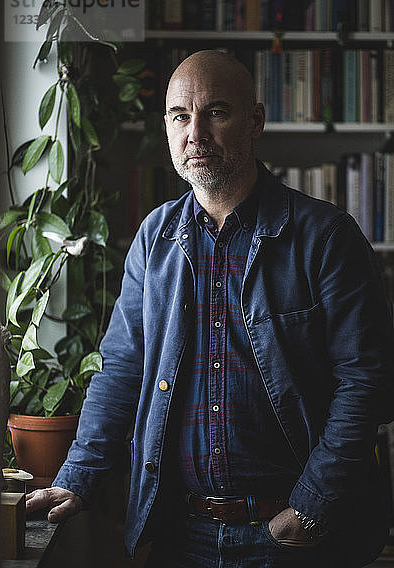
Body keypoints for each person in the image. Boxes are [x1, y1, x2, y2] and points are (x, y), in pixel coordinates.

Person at [26, 50, 394, 567]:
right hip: (181, 534)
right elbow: (122, 370)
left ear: (256, 121)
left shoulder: (326, 237)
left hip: (295, 534)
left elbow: (366, 382)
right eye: (180, 116)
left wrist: (311, 509)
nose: (195, 133)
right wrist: (77, 477)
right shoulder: (154, 238)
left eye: (216, 112)